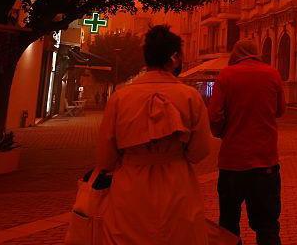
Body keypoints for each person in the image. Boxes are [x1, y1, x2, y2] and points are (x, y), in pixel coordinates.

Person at [95, 25, 235, 244]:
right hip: (177, 186)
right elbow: (200, 152)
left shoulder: (120, 98)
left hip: (130, 188)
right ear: (175, 58)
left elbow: (105, 157)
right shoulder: (189, 96)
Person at [208, 40, 286, 245]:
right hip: (265, 162)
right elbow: (280, 110)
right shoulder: (272, 74)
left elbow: (214, 116)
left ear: (236, 53)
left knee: (228, 225)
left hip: (232, 163)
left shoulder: (226, 75)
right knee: (268, 225)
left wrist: (223, 132)